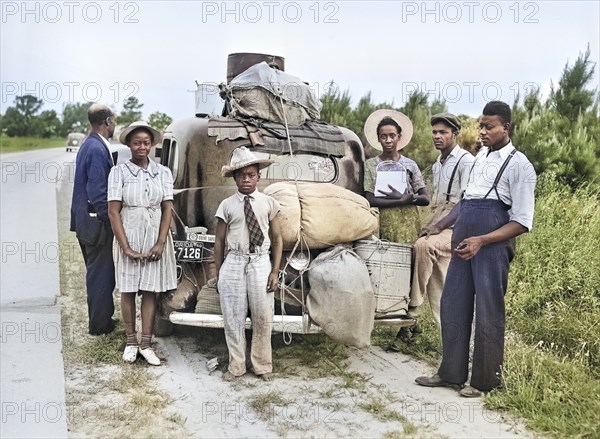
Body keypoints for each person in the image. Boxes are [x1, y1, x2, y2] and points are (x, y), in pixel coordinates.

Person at [416, 101, 537, 397]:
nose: (481, 131)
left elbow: (521, 221)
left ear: (505, 128)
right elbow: (467, 202)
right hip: (463, 238)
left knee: (488, 309)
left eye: (489, 126)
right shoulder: (480, 156)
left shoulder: (520, 165)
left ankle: (484, 381)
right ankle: (451, 373)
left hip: (491, 244)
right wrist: (439, 224)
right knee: (453, 304)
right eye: (480, 125)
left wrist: (482, 240)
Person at [107, 121, 177, 365]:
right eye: (136, 142)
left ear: (152, 145)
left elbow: (167, 208)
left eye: (146, 143)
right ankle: (131, 341)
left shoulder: (163, 172)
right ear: (128, 144)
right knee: (127, 289)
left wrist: (160, 243)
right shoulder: (118, 172)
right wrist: (125, 246)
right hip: (130, 232)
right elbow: (113, 211)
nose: (141, 147)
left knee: (150, 289)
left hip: (154, 234)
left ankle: (146, 343)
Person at [214, 147, 283, 382]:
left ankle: (262, 365)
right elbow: (220, 241)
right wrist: (219, 272)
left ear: (258, 176)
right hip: (234, 261)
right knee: (233, 316)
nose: (246, 179)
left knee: (263, 316)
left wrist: (275, 270)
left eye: (251, 175)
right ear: (234, 178)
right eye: (241, 175)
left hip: (261, 261)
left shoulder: (269, 203)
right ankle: (236, 366)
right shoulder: (227, 205)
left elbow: (277, 239)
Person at [362, 109, 430, 349]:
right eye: (383, 136)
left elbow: (425, 198)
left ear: (400, 137)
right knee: (383, 268)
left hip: (408, 223)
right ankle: (382, 316)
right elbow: (370, 198)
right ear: (378, 139)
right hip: (383, 222)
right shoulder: (371, 165)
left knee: (409, 270)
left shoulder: (410, 165)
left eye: (392, 135)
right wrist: (402, 199)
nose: (388, 140)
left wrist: (410, 198)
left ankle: (408, 326)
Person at [409, 113, 474, 327]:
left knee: (423, 246)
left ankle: (413, 306)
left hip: (457, 225)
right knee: (441, 286)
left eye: (443, 132)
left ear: (455, 134)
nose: (437, 136)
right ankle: (450, 337)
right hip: (439, 220)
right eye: (434, 132)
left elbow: (465, 203)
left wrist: (438, 226)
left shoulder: (466, 161)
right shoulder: (438, 164)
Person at [70, 104, 117, 335]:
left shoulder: (89, 144)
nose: (114, 125)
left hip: (85, 221)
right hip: (96, 224)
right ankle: (100, 326)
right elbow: (98, 192)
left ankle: (102, 319)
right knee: (101, 274)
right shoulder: (97, 149)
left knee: (98, 271)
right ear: (107, 121)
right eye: (114, 121)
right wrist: (110, 220)